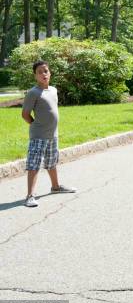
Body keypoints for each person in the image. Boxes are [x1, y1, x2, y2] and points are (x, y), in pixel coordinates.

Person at [22, 61, 76, 207]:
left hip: (53, 135)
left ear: (50, 73)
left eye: (46, 71)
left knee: (52, 162)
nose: (43, 74)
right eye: (40, 72)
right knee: (34, 164)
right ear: (35, 76)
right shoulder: (33, 93)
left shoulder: (53, 90)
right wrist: (35, 124)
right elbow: (25, 114)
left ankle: (56, 187)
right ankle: (30, 196)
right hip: (39, 135)